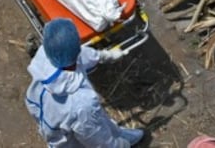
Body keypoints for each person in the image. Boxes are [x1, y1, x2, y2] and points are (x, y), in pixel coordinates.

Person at [26, 18, 144, 147]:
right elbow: (98, 141)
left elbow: (83, 55)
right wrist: (121, 145)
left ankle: (117, 132)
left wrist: (106, 55)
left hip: (55, 120)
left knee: (98, 119)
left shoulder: (46, 56)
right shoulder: (81, 103)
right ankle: (119, 139)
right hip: (68, 140)